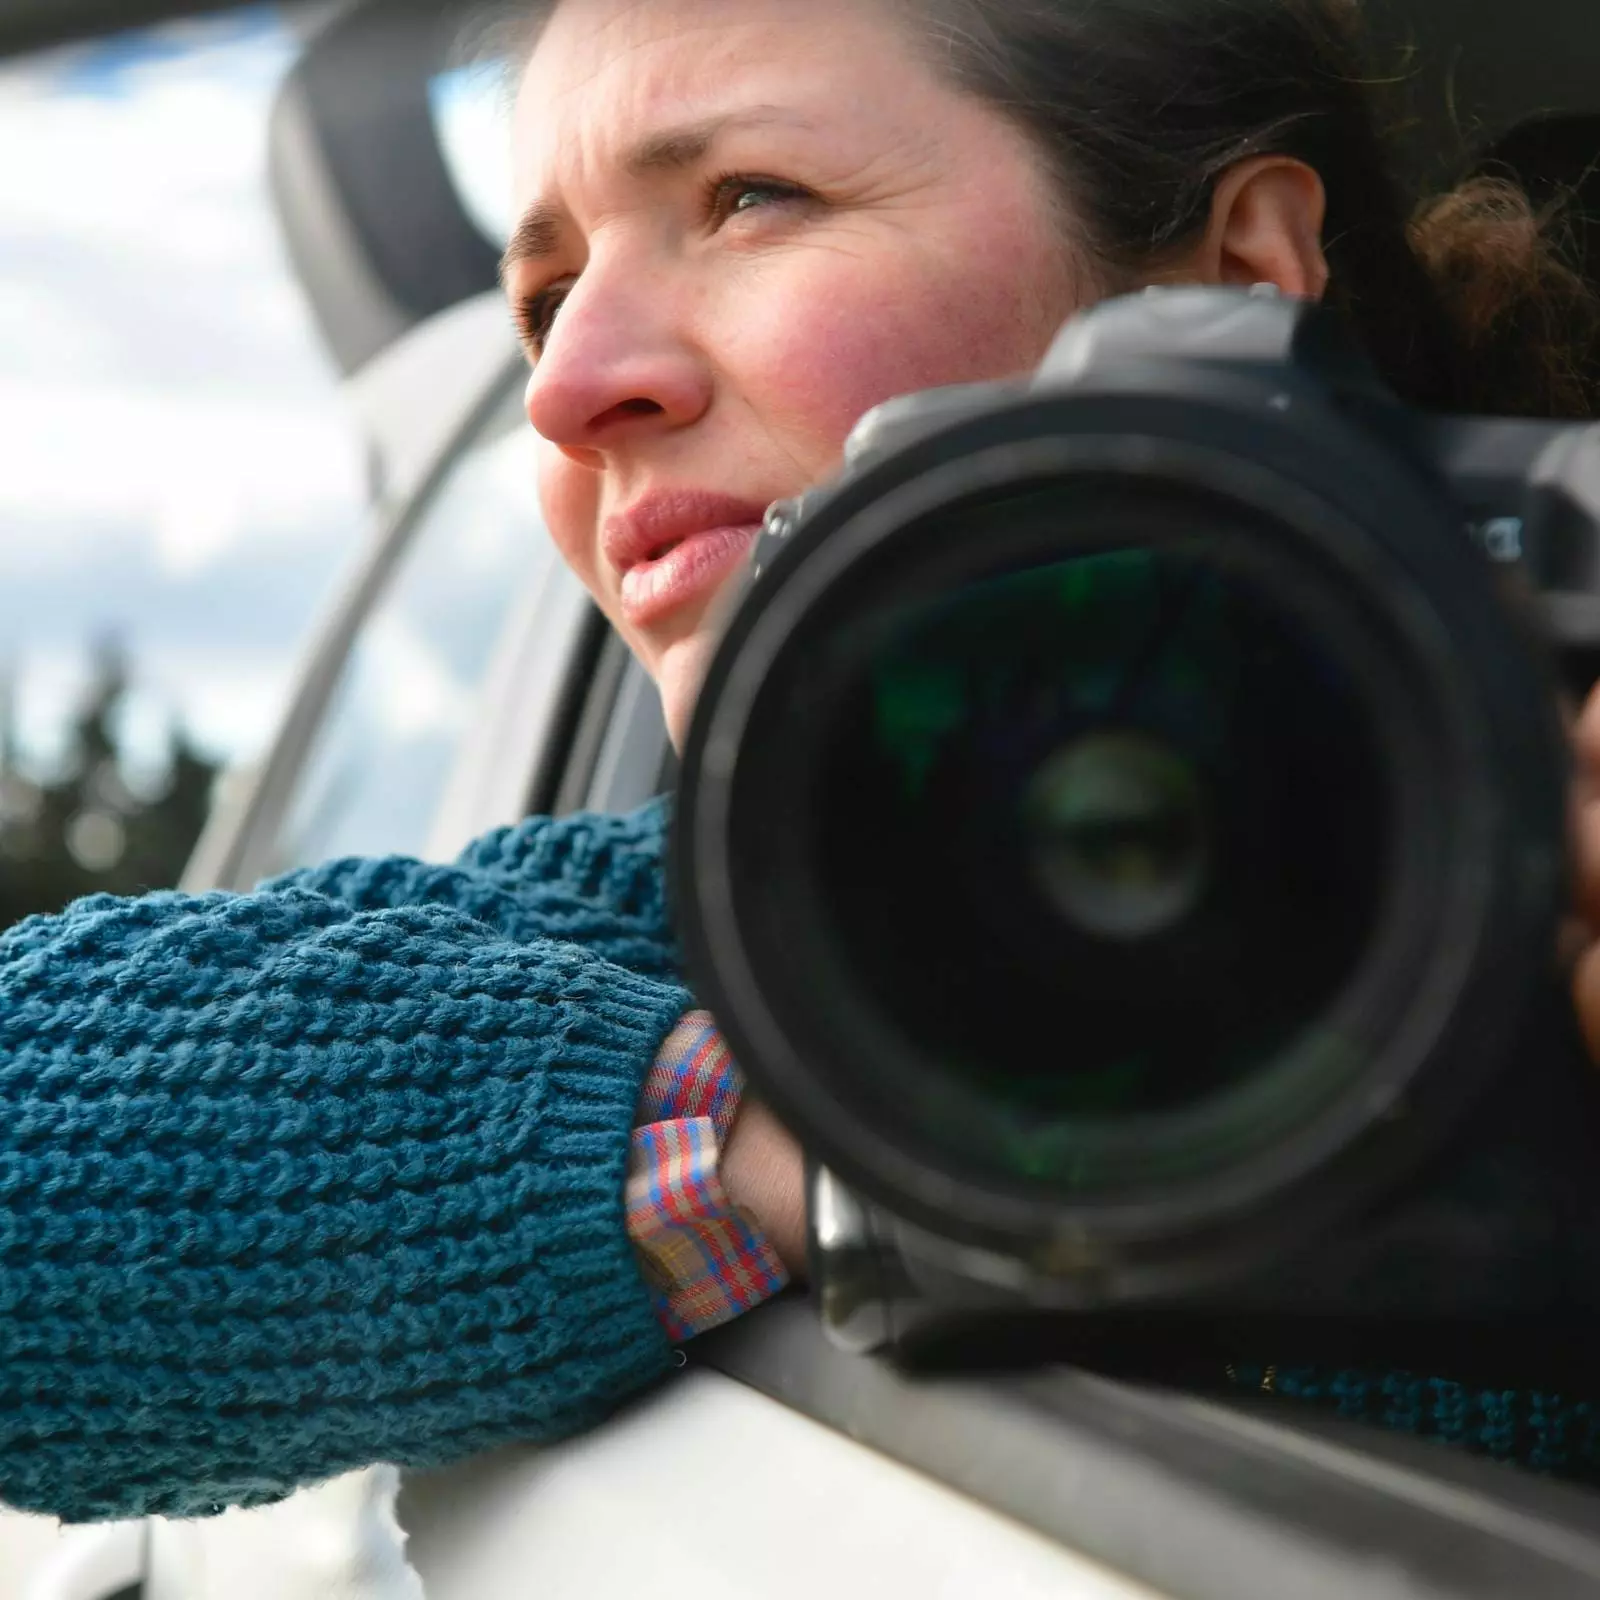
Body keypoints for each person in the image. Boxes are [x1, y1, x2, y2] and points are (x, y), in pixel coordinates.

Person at [4, 0, 1600, 1525]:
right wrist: (863, 1144)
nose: (562, 392)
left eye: (749, 196)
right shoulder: (723, 921)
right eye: (545, 300)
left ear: (1239, 282)